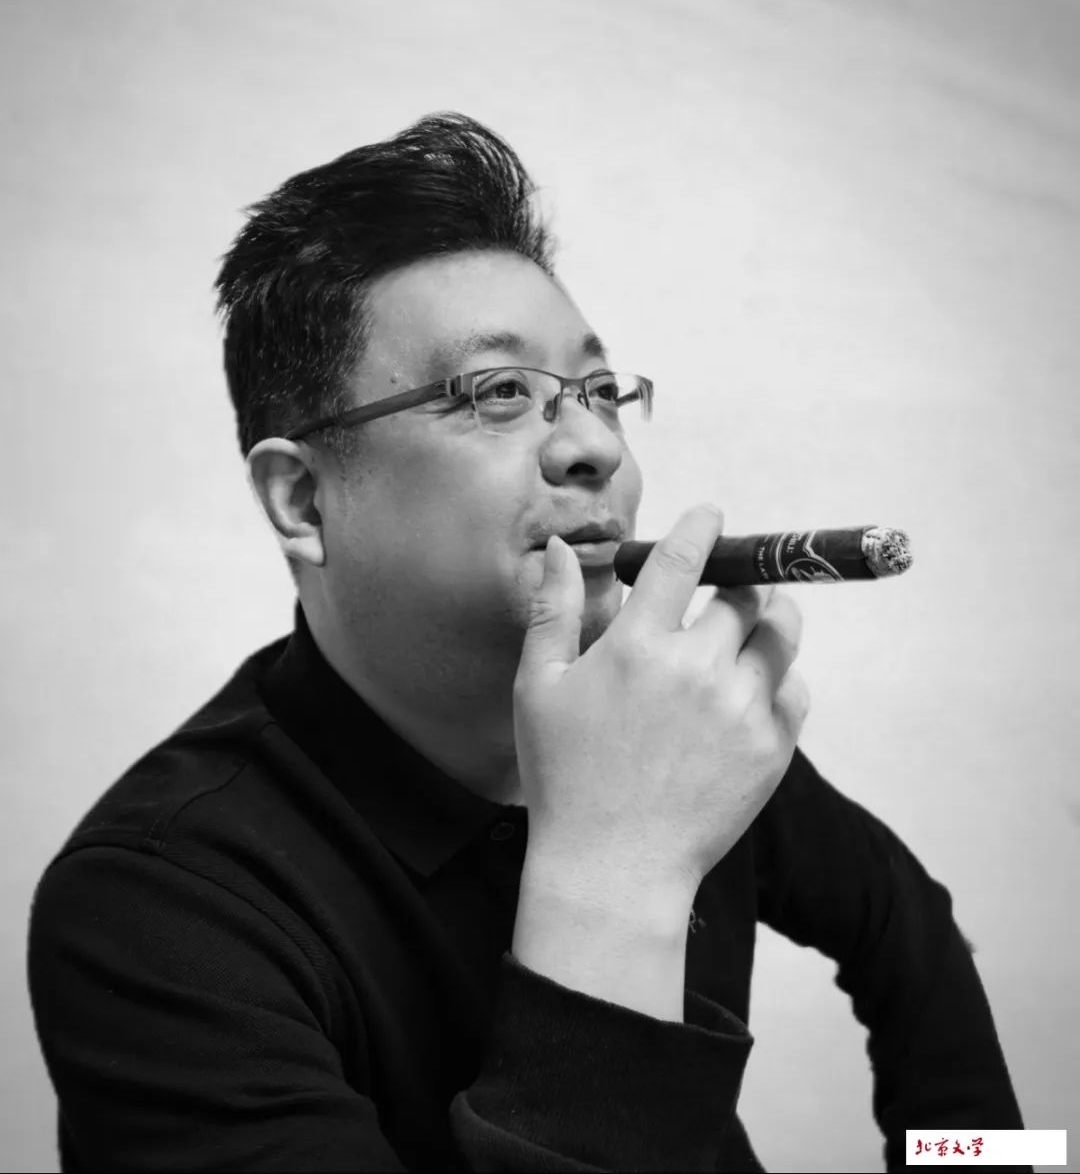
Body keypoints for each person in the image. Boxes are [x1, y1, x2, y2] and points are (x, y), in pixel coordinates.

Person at [26, 113, 1029, 1173]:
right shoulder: (153, 908)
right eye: (499, 392)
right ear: (304, 498)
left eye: (600, 392)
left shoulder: (656, 715)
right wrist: (618, 869)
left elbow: (910, 926)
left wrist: (986, 1163)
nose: (595, 445)